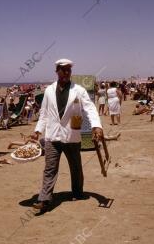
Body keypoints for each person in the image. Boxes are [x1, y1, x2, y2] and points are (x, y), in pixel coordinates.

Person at [30, 58, 103, 212]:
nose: (66, 72)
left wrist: (96, 126)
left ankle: (77, 192)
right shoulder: (49, 90)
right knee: (50, 168)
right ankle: (44, 199)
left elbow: (90, 108)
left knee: (75, 167)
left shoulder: (79, 90)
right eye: (63, 69)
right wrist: (38, 131)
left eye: (69, 70)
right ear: (57, 71)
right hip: (52, 136)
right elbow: (43, 114)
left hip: (72, 135)